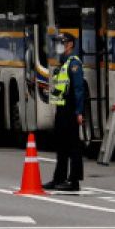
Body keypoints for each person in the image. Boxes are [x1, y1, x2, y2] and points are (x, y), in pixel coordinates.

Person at [44, 33, 85, 192]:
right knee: (61, 145)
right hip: (61, 109)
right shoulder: (64, 63)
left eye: (62, 42)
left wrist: (79, 112)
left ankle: (74, 181)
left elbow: (78, 89)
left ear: (70, 44)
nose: (59, 46)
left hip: (70, 109)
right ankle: (59, 178)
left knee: (73, 146)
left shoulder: (74, 63)